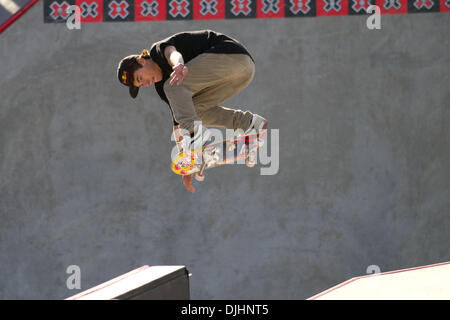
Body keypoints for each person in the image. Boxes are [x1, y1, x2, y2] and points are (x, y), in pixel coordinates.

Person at [117, 29, 267, 193]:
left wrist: (178, 65)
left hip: (231, 56)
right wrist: (187, 164)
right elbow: (179, 120)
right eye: (141, 85)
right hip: (243, 73)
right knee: (193, 109)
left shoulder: (158, 51)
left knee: (173, 87)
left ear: (142, 61)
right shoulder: (165, 89)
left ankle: (197, 136)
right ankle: (250, 123)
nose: (146, 84)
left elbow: (172, 53)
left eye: (140, 78)